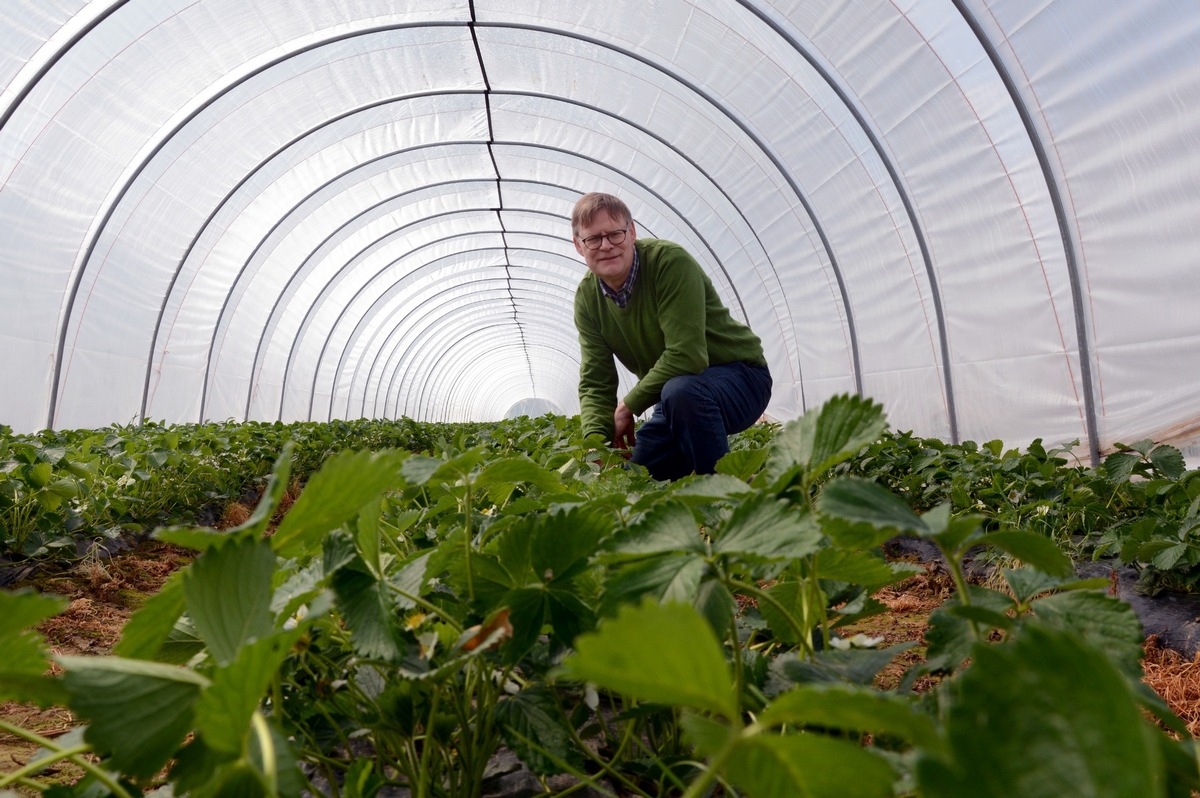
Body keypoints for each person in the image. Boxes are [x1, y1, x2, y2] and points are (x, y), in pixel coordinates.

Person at [571, 192, 772, 481]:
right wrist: (596, 448)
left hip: (741, 379)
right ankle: (701, 474)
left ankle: (728, 493)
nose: (606, 246)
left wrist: (627, 407)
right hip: (675, 399)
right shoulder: (588, 299)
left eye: (615, 234)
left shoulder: (668, 263)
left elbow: (687, 355)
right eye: (593, 238)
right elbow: (595, 382)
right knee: (637, 479)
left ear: (632, 233)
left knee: (681, 391)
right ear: (579, 245)